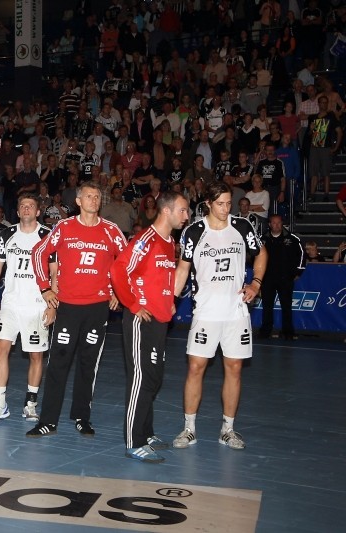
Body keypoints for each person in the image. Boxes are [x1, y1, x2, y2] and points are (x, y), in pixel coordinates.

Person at [26, 181, 127, 437]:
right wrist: (45, 288)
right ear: (79, 201)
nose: (94, 200)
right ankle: (48, 420)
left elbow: (127, 262)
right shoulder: (64, 227)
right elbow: (38, 252)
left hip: (97, 308)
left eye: (97, 196)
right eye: (89, 196)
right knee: (58, 363)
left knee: (88, 363)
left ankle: (82, 417)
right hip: (68, 307)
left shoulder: (111, 230)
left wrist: (118, 291)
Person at [172, 182, 267, 452]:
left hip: (236, 311)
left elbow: (261, 253)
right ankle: (189, 428)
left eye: (228, 203)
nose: (226, 209)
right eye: (220, 204)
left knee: (234, 368)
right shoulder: (193, 231)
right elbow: (183, 269)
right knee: (195, 367)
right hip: (205, 311)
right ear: (208, 204)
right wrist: (170, 300)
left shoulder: (243, 227)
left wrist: (256, 283)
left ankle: (228, 429)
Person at [110, 190, 190, 463]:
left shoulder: (170, 242)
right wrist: (132, 305)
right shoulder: (146, 239)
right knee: (140, 378)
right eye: (182, 210)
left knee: (153, 377)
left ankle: (146, 432)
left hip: (160, 319)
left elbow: (161, 277)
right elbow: (118, 270)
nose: (186, 215)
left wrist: (169, 302)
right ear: (166, 210)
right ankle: (134, 442)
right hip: (141, 320)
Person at [0, 194, 52, 425]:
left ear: (38, 211)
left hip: (37, 305)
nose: (26, 209)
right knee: (0, 349)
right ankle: (0, 404)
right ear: (18, 211)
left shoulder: (47, 236)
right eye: (23, 206)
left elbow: (55, 272)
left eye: (31, 206)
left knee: (36, 355)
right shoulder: (7, 234)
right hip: (10, 303)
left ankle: (30, 404)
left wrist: (53, 305)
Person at [259, 215, 306, 340]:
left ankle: (288, 332)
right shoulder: (262, 239)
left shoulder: (292, 238)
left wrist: (298, 272)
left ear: (282, 224)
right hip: (267, 278)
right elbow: (255, 256)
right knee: (267, 306)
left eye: (279, 223)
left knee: (286, 306)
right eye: (274, 223)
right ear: (269, 224)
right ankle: (265, 331)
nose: (276, 225)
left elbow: (302, 254)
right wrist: (259, 274)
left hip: (285, 278)